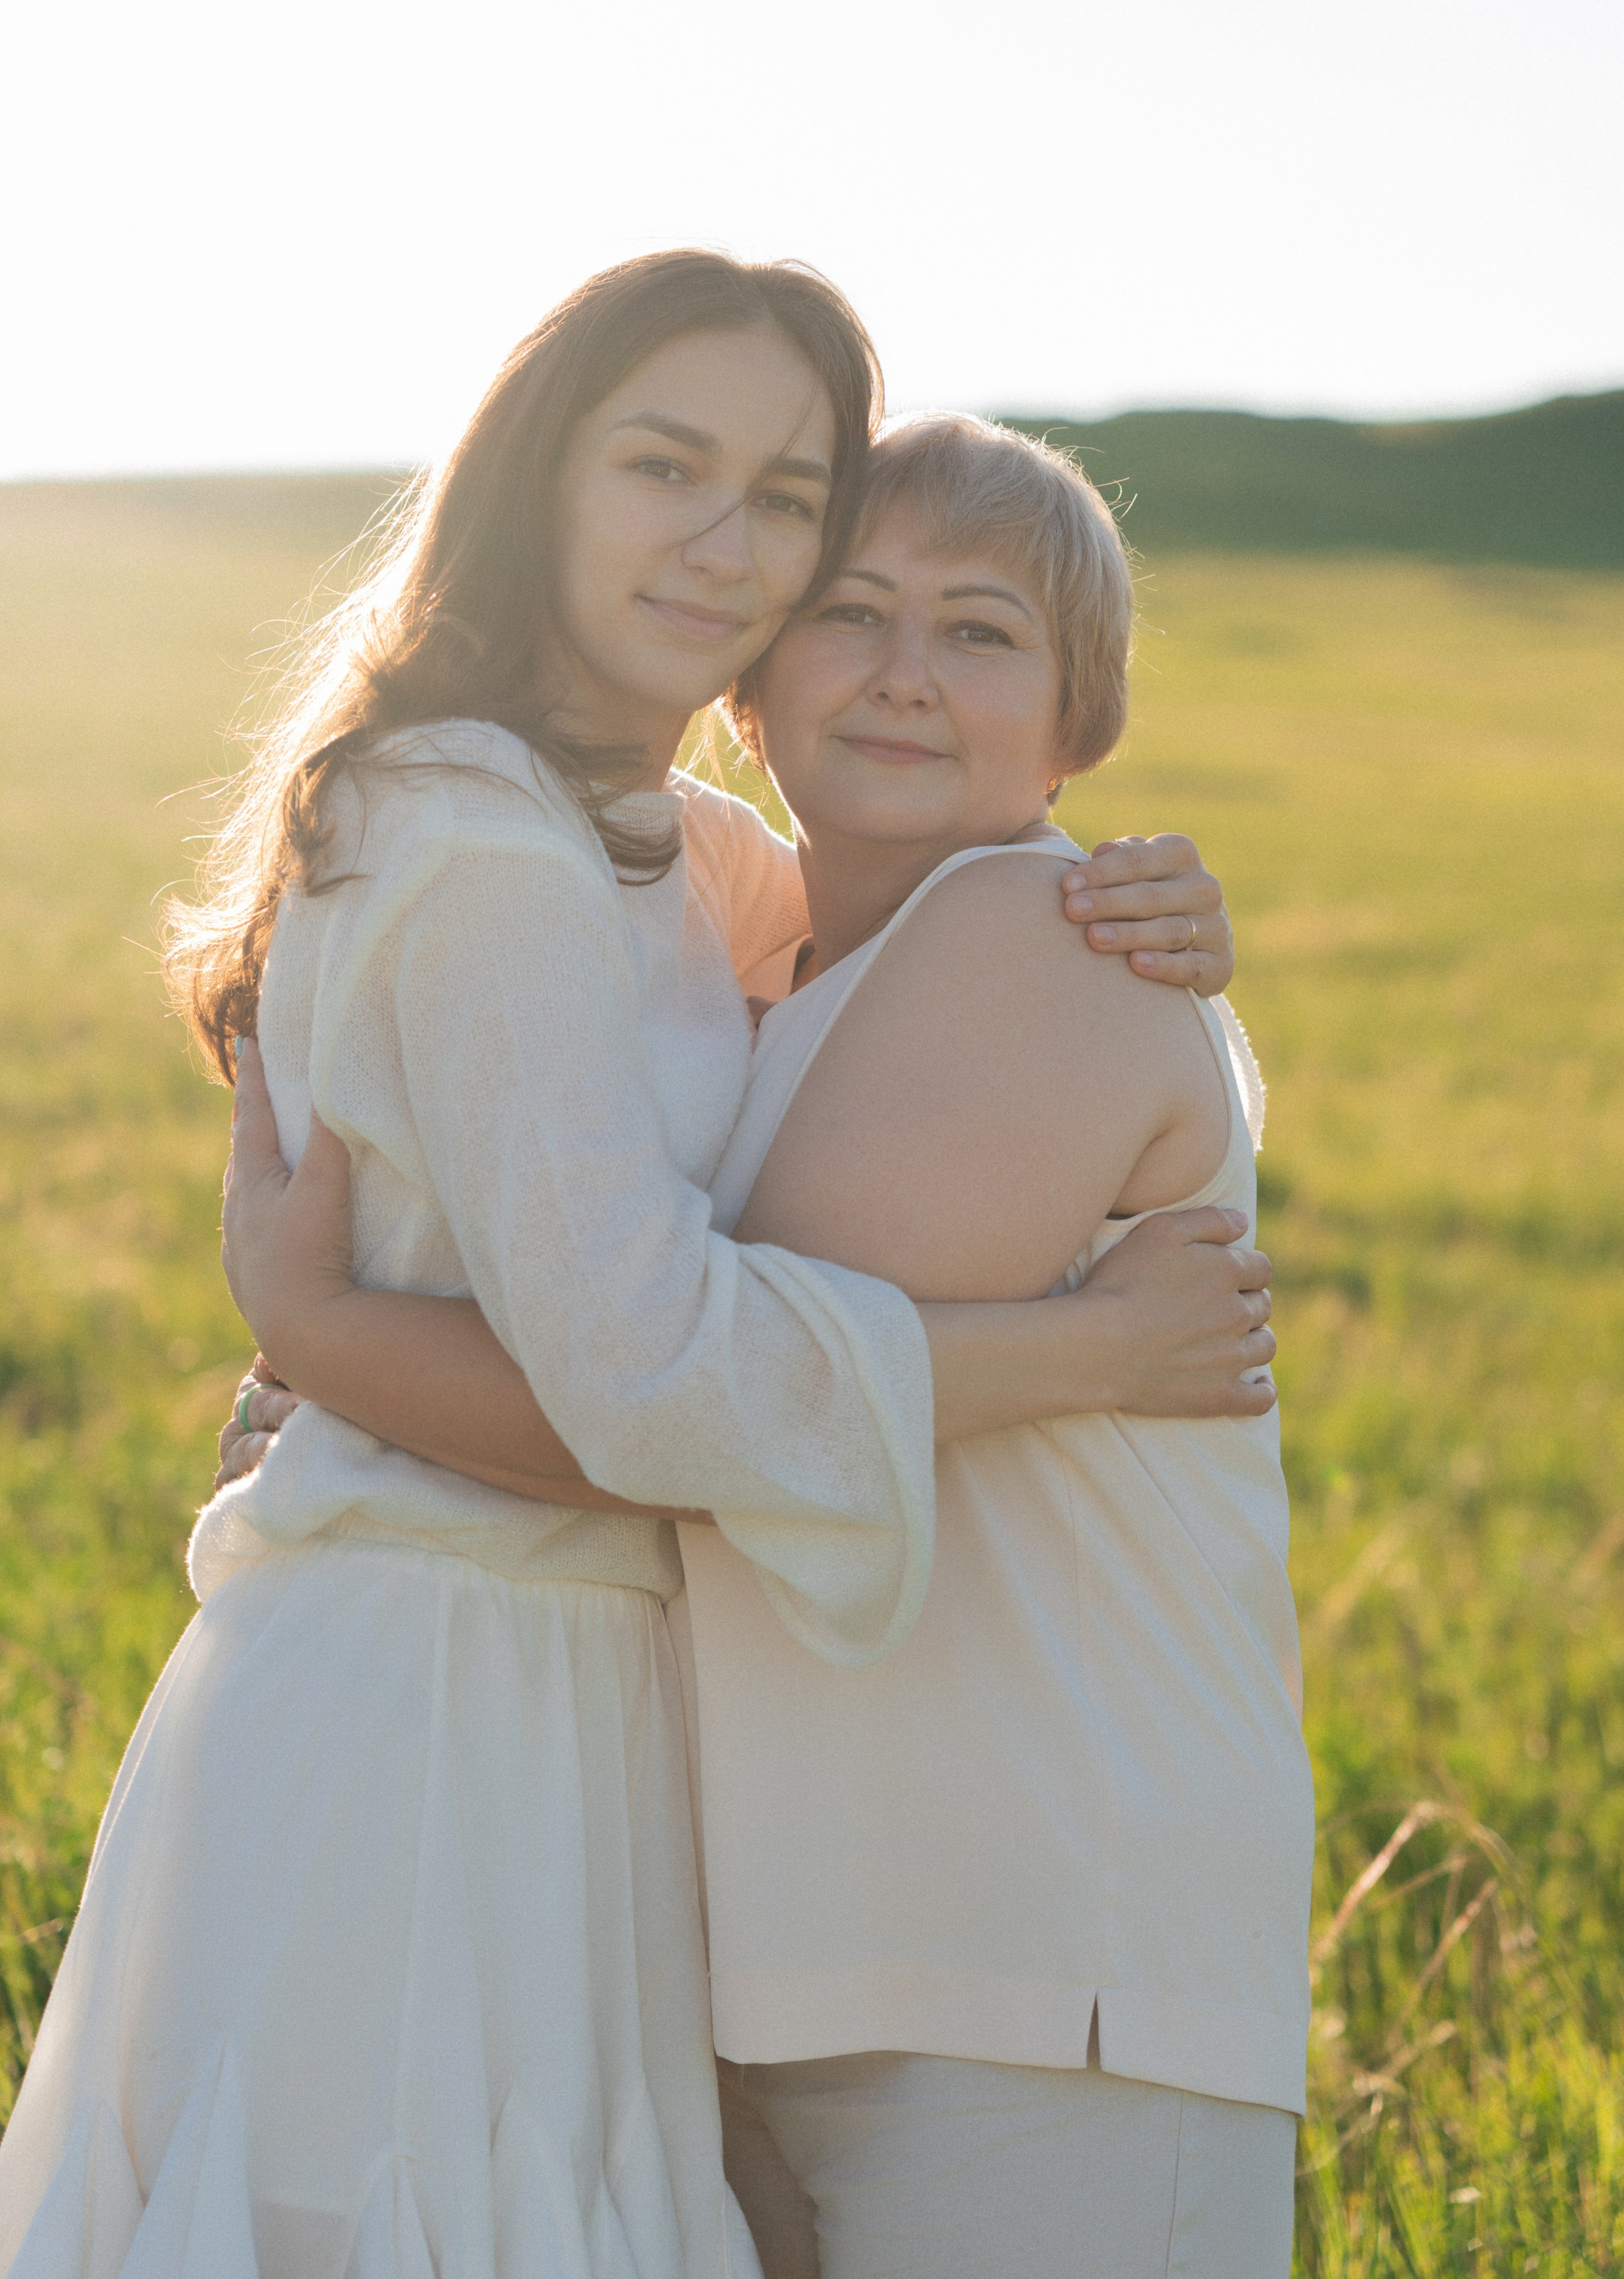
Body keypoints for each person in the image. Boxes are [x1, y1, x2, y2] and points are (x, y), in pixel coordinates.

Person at [0, 254, 1265, 2279]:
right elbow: (657, 1374)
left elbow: (884, 929)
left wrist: (1140, 888)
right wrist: (1082, 1351)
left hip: (576, 1719)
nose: (726, 541)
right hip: (440, 1694)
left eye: (783, 498)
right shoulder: (484, 836)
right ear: (538, 474)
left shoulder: (663, 839)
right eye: (665, 465)